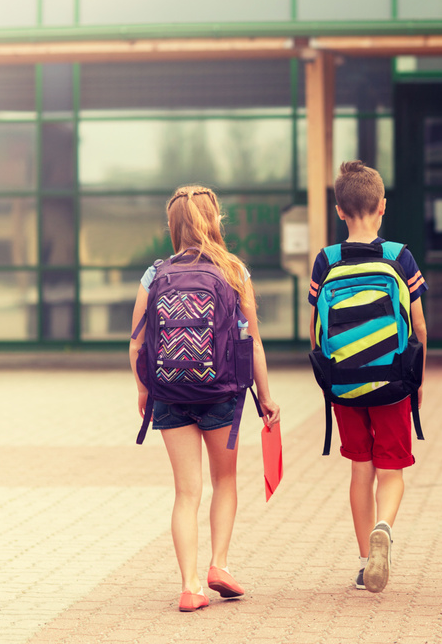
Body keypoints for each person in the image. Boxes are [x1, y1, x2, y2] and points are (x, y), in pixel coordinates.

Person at [129, 185, 281, 613]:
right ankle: (219, 564)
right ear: (214, 220)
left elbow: (136, 344)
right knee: (225, 481)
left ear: (173, 225)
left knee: (186, 492)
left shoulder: (155, 274)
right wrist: (265, 397)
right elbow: (253, 343)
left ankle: (190, 585)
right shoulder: (234, 270)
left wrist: (145, 389)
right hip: (222, 393)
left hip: (169, 393)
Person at [308, 161, 428, 594]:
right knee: (391, 470)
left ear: (339, 210)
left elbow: (316, 331)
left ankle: (364, 563)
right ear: (382, 207)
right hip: (392, 381)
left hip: (344, 384)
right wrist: (416, 382)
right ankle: (384, 528)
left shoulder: (326, 260)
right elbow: (418, 326)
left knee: (361, 468)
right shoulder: (398, 256)